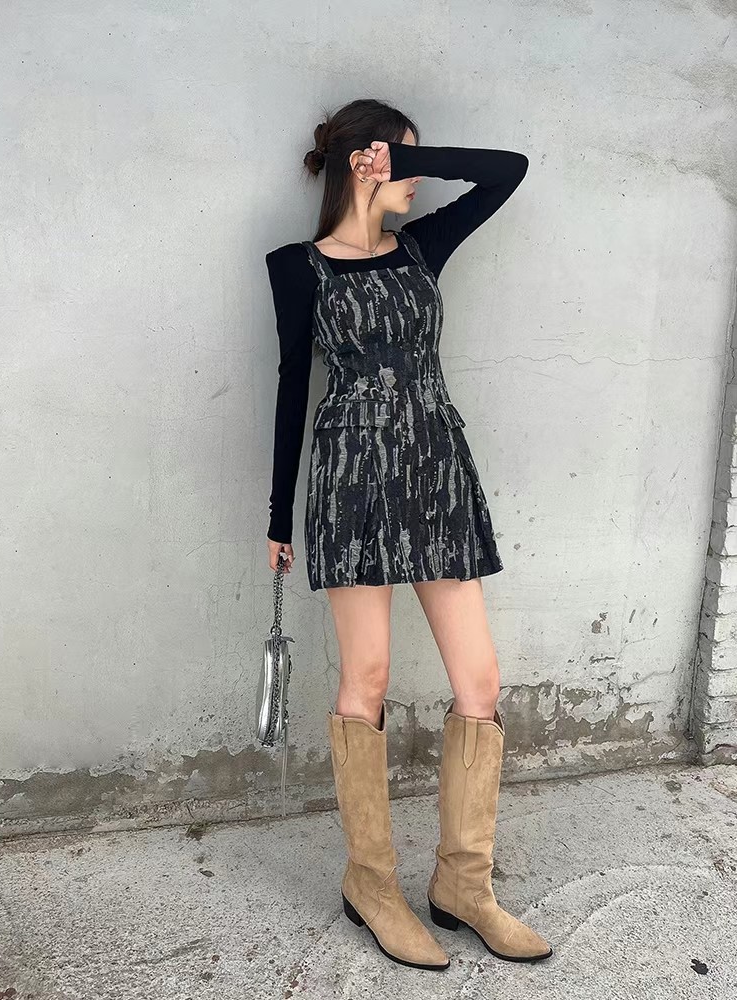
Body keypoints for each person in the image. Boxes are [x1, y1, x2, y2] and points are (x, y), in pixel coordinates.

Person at [264, 98, 552, 971]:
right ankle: (372, 884)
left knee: (480, 682)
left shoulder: (423, 246)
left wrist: (408, 156)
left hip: (435, 473)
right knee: (369, 677)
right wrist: (277, 517)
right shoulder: (296, 268)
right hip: (351, 481)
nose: (417, 181)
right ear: (364, 163)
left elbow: (507, 171)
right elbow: (292, 386)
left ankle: (465, 886)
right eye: (404, 162)